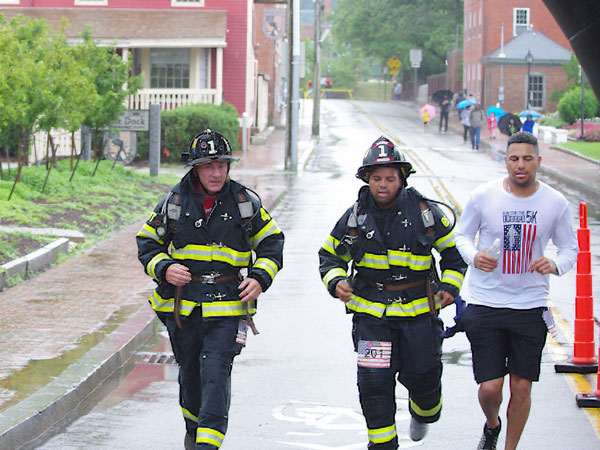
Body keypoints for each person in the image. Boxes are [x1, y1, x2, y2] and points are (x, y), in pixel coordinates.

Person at [136, 129, 284, 450]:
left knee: (216, 375)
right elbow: (147, 243)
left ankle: (208, 444)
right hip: (183, 309)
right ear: (196, 169)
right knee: (190, 378)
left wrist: (259, 278)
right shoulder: (173, 203)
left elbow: (272, 243)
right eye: (208, 166)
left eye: (222, 165)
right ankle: (194, 430)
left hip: (228, 309)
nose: (216, 173)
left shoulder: (245, 203)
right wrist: (164, 268)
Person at [318, 137, 467, 448]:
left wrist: (450, 288)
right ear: (366, 180)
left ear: (402, 179)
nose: (382, 185)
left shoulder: (427, 214)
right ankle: (383, 445)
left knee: (424, 377)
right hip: (372, 315)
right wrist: (336, 282)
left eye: (390, 178)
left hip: (418, 315)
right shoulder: (354, 217)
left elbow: (454, 258)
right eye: (376, 178)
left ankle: (424, 413)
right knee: (374, 385)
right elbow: (330, 256)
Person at [454, 131, 578, 450]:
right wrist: (474, 256)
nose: (520, 165)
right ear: (505, 160)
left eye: (526, 159)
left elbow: (569, 249)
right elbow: (463, 237)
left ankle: (509, 448)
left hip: (530, 305)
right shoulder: (484, 196)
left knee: (522, 387)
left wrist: (554, 264)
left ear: (538, 161)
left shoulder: (555, 202)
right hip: (485, 303)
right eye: (514, 159)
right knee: (491, 388)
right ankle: (492, 424)